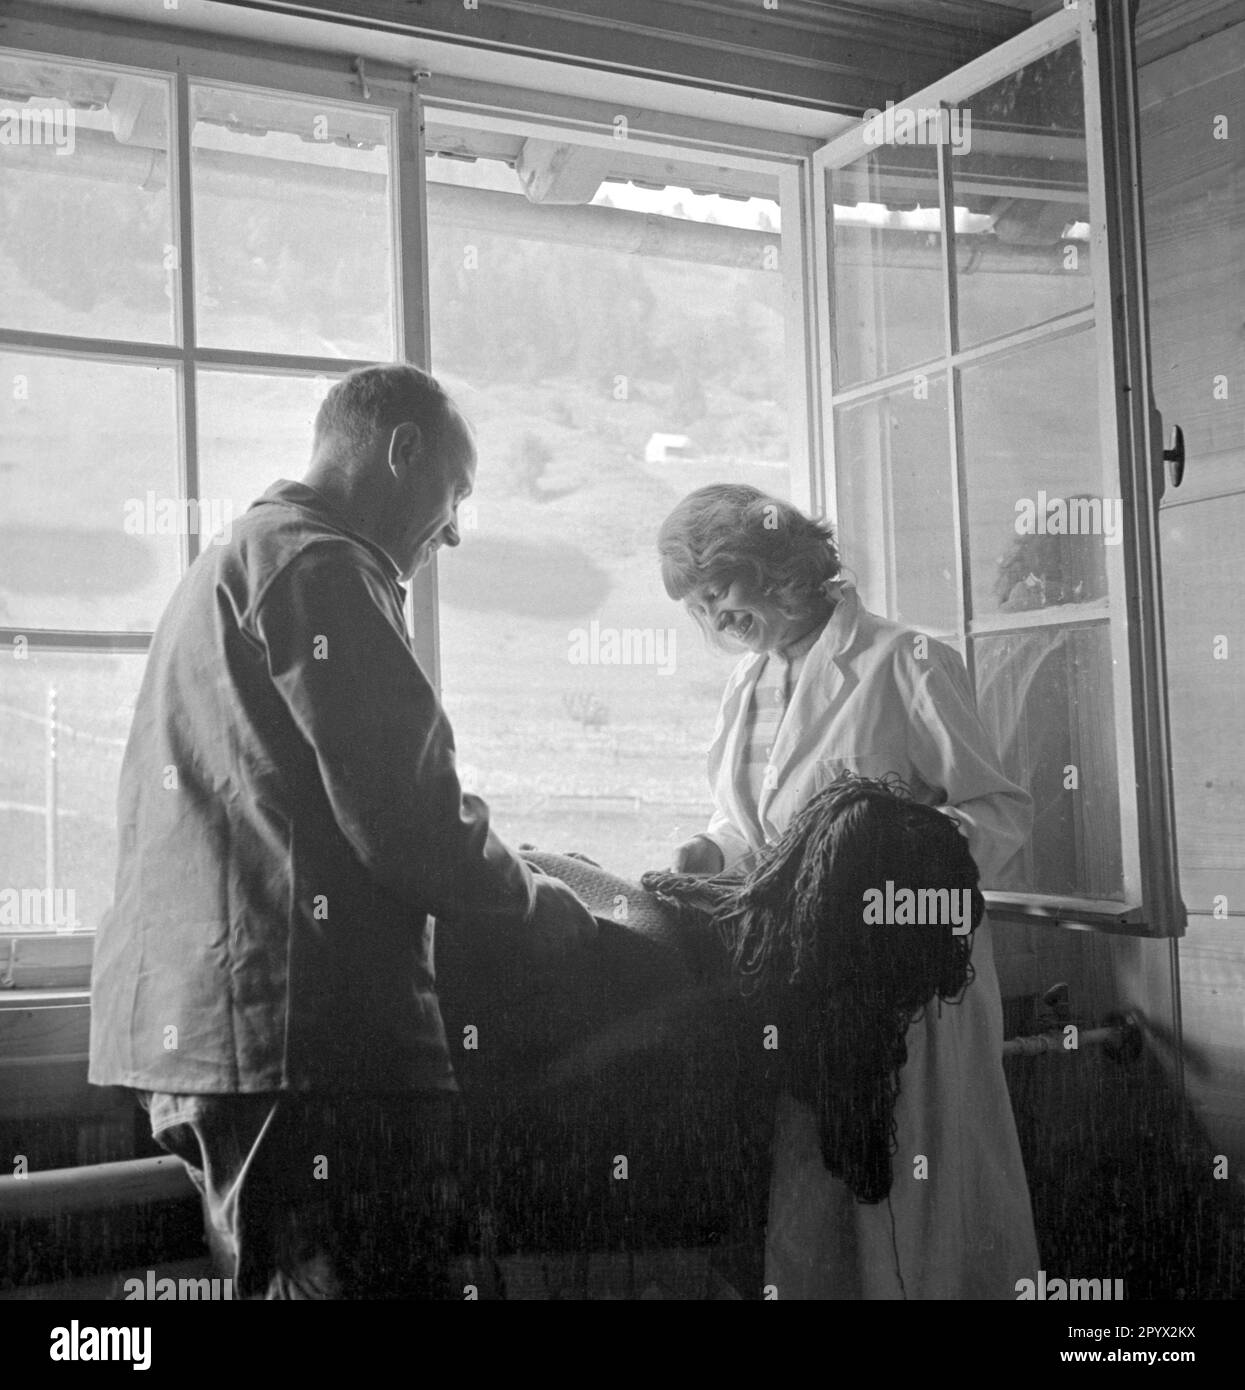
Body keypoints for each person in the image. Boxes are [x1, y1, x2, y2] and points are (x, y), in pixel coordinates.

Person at [88, 363, 597, 1299]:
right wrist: (533, 902)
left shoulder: (236, 560)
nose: (452, 530)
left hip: (205, 1028)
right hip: (307, 1046)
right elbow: (405, 822)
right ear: (403, 452)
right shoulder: (321, 562)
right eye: (455, 497)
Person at [656, 482, 1040, 1299]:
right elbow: (752, 829)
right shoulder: (747, 686)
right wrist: (707, 850)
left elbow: (998, 814)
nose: (711, 617)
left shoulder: (907, 661)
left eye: (717, 588)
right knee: (817, 1198)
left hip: (909, 986)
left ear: (777, 564)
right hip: (809, 990)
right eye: (695, 604)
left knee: (916, 1201)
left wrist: (889, 862)